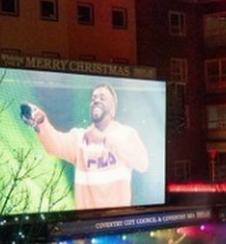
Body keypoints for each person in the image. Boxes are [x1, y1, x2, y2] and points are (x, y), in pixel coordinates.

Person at [20, 83, 149, 209]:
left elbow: (142, 163)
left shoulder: (126, 134)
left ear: (113, 108)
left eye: (102, 98)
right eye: (94, 98)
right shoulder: (79, 138)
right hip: (87, 224)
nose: (96, 101)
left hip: (115, 223)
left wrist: (106, 139)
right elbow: (55, 144)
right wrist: (40, 121)